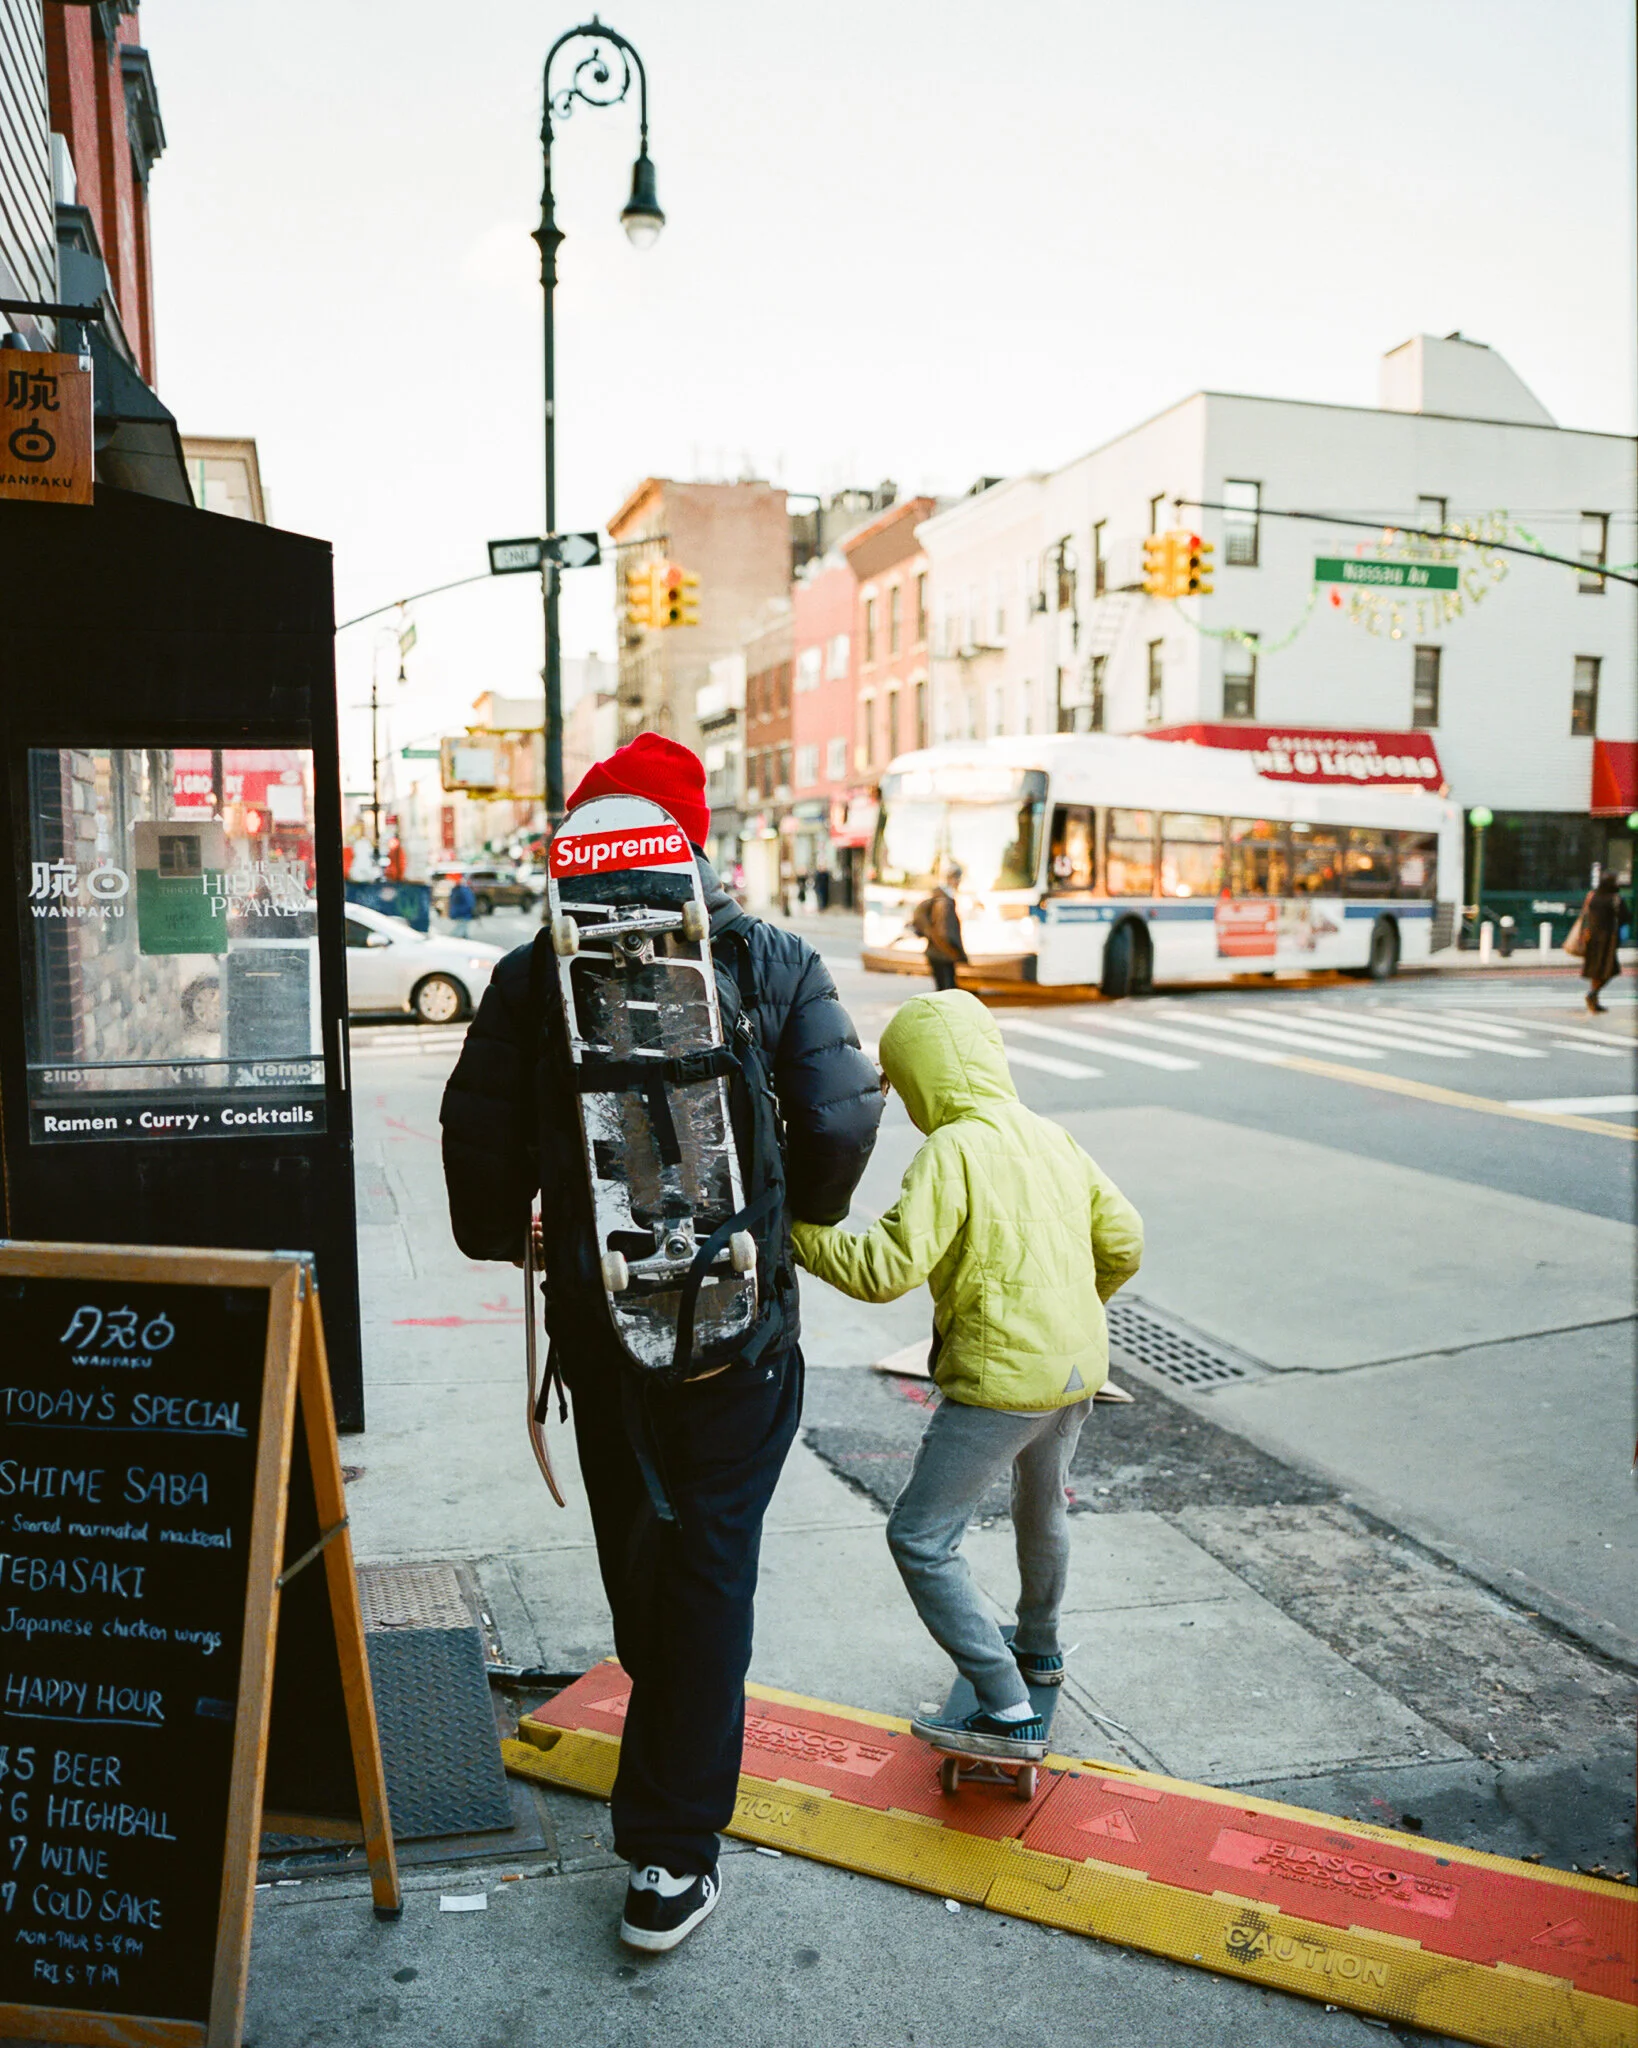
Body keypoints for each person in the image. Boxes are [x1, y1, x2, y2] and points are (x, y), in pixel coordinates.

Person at [438, 732, 882, 1953]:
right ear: (693, 841)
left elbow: (475, 1162)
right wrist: (795, 1216)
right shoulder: (772, 955)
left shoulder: (536, 976)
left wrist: (516, 1235)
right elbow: (841, 1126)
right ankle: (673, 1858)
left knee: (645, 1545)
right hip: (743, 1334)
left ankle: (668, 1745)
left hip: (602, 1330)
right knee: (711, 1563)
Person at [792, 988, 1142, 1762]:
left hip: (999, 1384)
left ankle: (1005, 1704)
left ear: (918, 1079)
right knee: (1040, 1504)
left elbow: (884, 1268)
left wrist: (798, 1235)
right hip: (1078, 1370)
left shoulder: (952, 1149)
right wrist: (1074, 1312)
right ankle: (1040, 1650)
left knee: (921, 1537)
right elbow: (1125, 1240)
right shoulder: (1052, 1136)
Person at [911, 860, 967, 991]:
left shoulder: (940, 898)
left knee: (944, 991)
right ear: (951, 879)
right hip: (942, 954)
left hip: (937, 954)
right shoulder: (944, 902)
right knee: (947, 992)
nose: (959, 882)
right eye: (958, 878)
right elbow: (944, 932)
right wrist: (956, 952)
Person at [1578, 870, 1624, 1013]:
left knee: (1596, 971)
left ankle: (1594, 999)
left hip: (1592, 938)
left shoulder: (1592, 897)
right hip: (1608, 940)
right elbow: (1625, 915)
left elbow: (1585, 916)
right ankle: (1593, 994)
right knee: (1610, 970)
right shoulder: (1615, 899)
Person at [445, 874, 476, 940]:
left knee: (460, 931)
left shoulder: (459, 890)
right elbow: (469, 903)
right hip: (462, 914)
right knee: (461, 931)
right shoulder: (459, 890)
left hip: (461, 914)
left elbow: (469, 903)